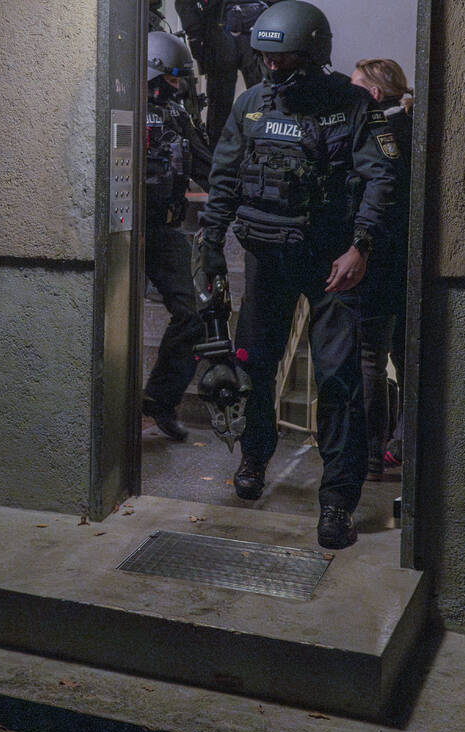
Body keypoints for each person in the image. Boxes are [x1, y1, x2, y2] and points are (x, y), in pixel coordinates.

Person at [195, 1, 400, 548]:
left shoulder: (353, 105)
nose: (271, 67)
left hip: (333, 264)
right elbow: (225, 179)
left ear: (311, 56)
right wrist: (210, 243)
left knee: (339, 384)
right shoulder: (249, 107)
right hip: (267, 259)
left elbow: (381, 179)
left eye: (282, 57)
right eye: (266, 57)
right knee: (253, 370)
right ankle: (254, 461)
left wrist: (360, 246)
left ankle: (336, 502)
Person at [141, 31, 215, 441]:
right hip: (121, 228)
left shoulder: (177, 115)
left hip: (164, 229)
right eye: (170, 79)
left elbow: (208, 165)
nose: (176, 87)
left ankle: (159, 400)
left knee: (193, 312)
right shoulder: (121, 109)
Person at [350, 57, 413, 481]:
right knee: (407, 357)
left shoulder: (377, 131)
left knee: (369, 356)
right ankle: (402, 444)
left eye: (355, 87)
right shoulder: (413, 125)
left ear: (373, 93)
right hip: (410, 261)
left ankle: (370, 455)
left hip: (377, 259)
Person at [174, 0, 280, 148]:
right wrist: (195, 34)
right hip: (220, 28)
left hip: (253, 28)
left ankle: (266, 150)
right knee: (222, 105)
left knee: (267, 98)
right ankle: (217, 155)